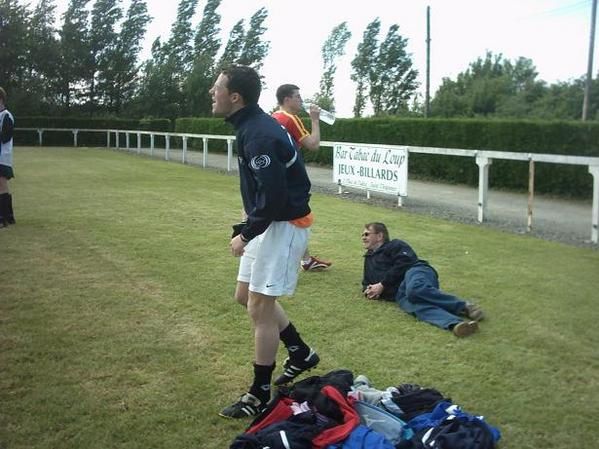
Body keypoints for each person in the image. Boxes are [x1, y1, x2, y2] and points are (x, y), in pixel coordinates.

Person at [209, 65, 320, 419]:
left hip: (283, 224)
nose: (212, 93)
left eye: (217, 88)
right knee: (245, 297)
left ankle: (257, 394)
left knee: (259, 308)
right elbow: (267, 193)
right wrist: (250, 223)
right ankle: (300, 351)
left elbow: (274, 198)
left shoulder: (257, 134)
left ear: (235, 97)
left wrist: (246, 233)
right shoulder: (251, 126)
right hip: (270, 220)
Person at [361, 222, 484, 337]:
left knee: (414, 289)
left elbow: (405, 263)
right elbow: (366, 283)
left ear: (379, 236)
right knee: (414, 306)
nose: (363, 237)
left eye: (366, 234)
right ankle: (456, 324)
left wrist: (382, 284)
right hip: (400, 292)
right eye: (362, 235)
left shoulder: (395, 245)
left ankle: (464, 306)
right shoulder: (368, 260)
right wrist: (370, 291)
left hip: (415, 271)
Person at [271, 84, 332, 272]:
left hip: (275, 174)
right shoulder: (291, 119)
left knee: (290, 216)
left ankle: (306, 258)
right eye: (298, 96)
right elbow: (313, 145)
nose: (301, 100)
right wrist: (315, 120)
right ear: (287, 100)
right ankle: (300, 259)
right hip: (290, 177)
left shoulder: (274, 117)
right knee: (299, 216)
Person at [0, 87, 15, 228]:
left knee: (2, 185)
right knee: (2, 186)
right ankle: (9, 216)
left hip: (2, 157)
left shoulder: (6, 116)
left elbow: (5, 137)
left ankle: (2, 218)